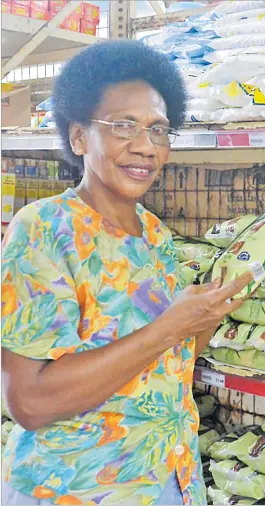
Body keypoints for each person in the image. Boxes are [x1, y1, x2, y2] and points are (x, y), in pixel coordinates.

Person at [1, 40, 251, 506]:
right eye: (123, 126)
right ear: (78, 137)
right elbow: (29, 403)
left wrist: (206, 316)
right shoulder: (45, 230)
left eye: (159, 130)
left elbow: (166, 363)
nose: (145, 146)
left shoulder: (154, 234)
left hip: (166, 479)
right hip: (76, 488)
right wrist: (170, 326)